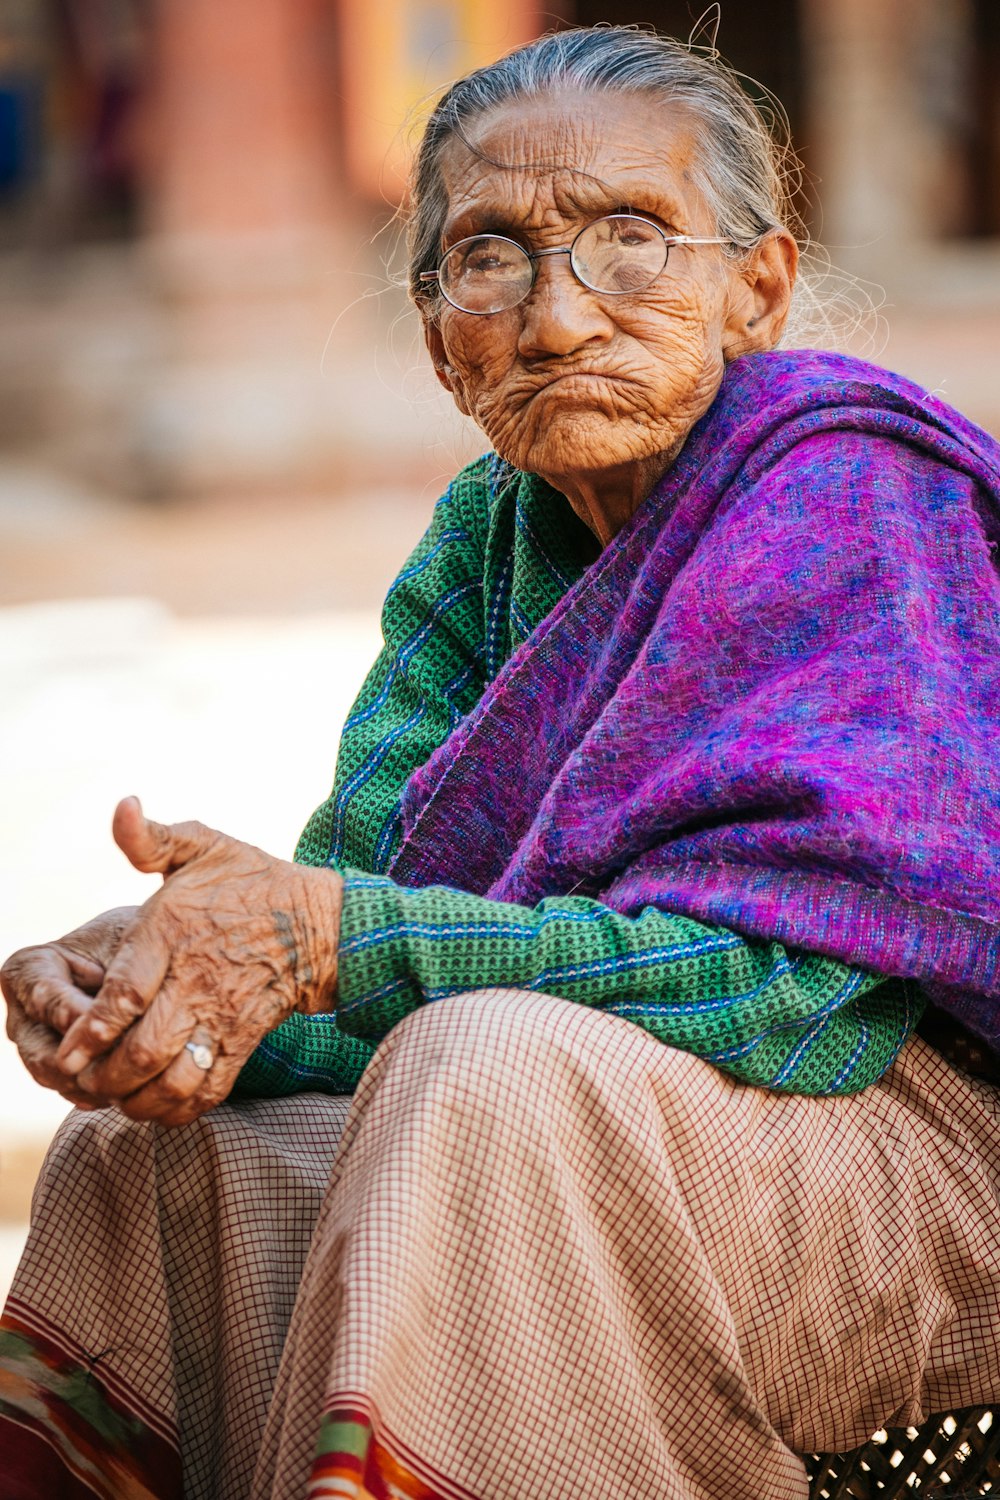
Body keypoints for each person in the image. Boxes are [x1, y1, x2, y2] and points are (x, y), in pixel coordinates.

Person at [2, 25, 999, 1500]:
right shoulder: (484, 543)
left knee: (485, 1067)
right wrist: (176, 985)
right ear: (433, 334)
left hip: (906, 1143)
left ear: (759, 289)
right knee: (158, 1152)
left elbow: (798, 1002)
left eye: (632, 240)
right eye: (492, 256)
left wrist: (322, 940)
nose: (556, 316)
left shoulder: (842, 494)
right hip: (582, 1122)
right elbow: (355, 946)